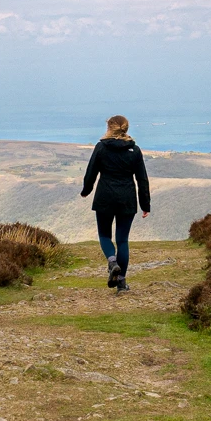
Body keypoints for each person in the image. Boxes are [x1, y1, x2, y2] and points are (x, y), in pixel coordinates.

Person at [80, 115, 151, 293]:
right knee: (122, 240)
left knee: (104, 235)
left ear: (109, 128)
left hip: (105, 197)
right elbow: (142, 180)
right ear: (126, 128)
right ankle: (121, 283)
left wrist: (86, 191)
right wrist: (145, 204)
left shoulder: (101, 148)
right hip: (127, 198)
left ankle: (112, 261)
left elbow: (91, 173)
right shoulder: (134, 150)